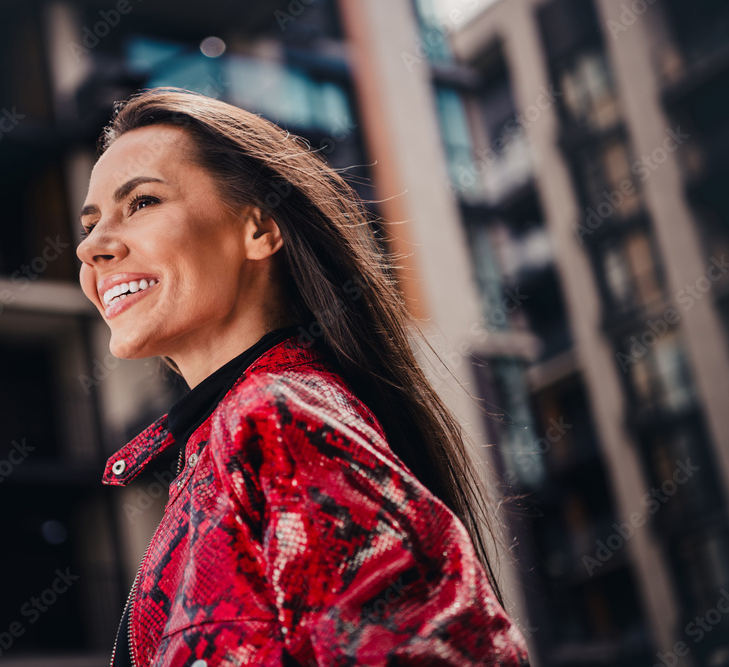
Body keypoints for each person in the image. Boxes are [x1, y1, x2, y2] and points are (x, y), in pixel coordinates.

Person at [76, 87, 531, 667]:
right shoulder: (226, 447)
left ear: (259, 231)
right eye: (90, 225)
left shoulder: (276, 420)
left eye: (140, 203)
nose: (92, 247)